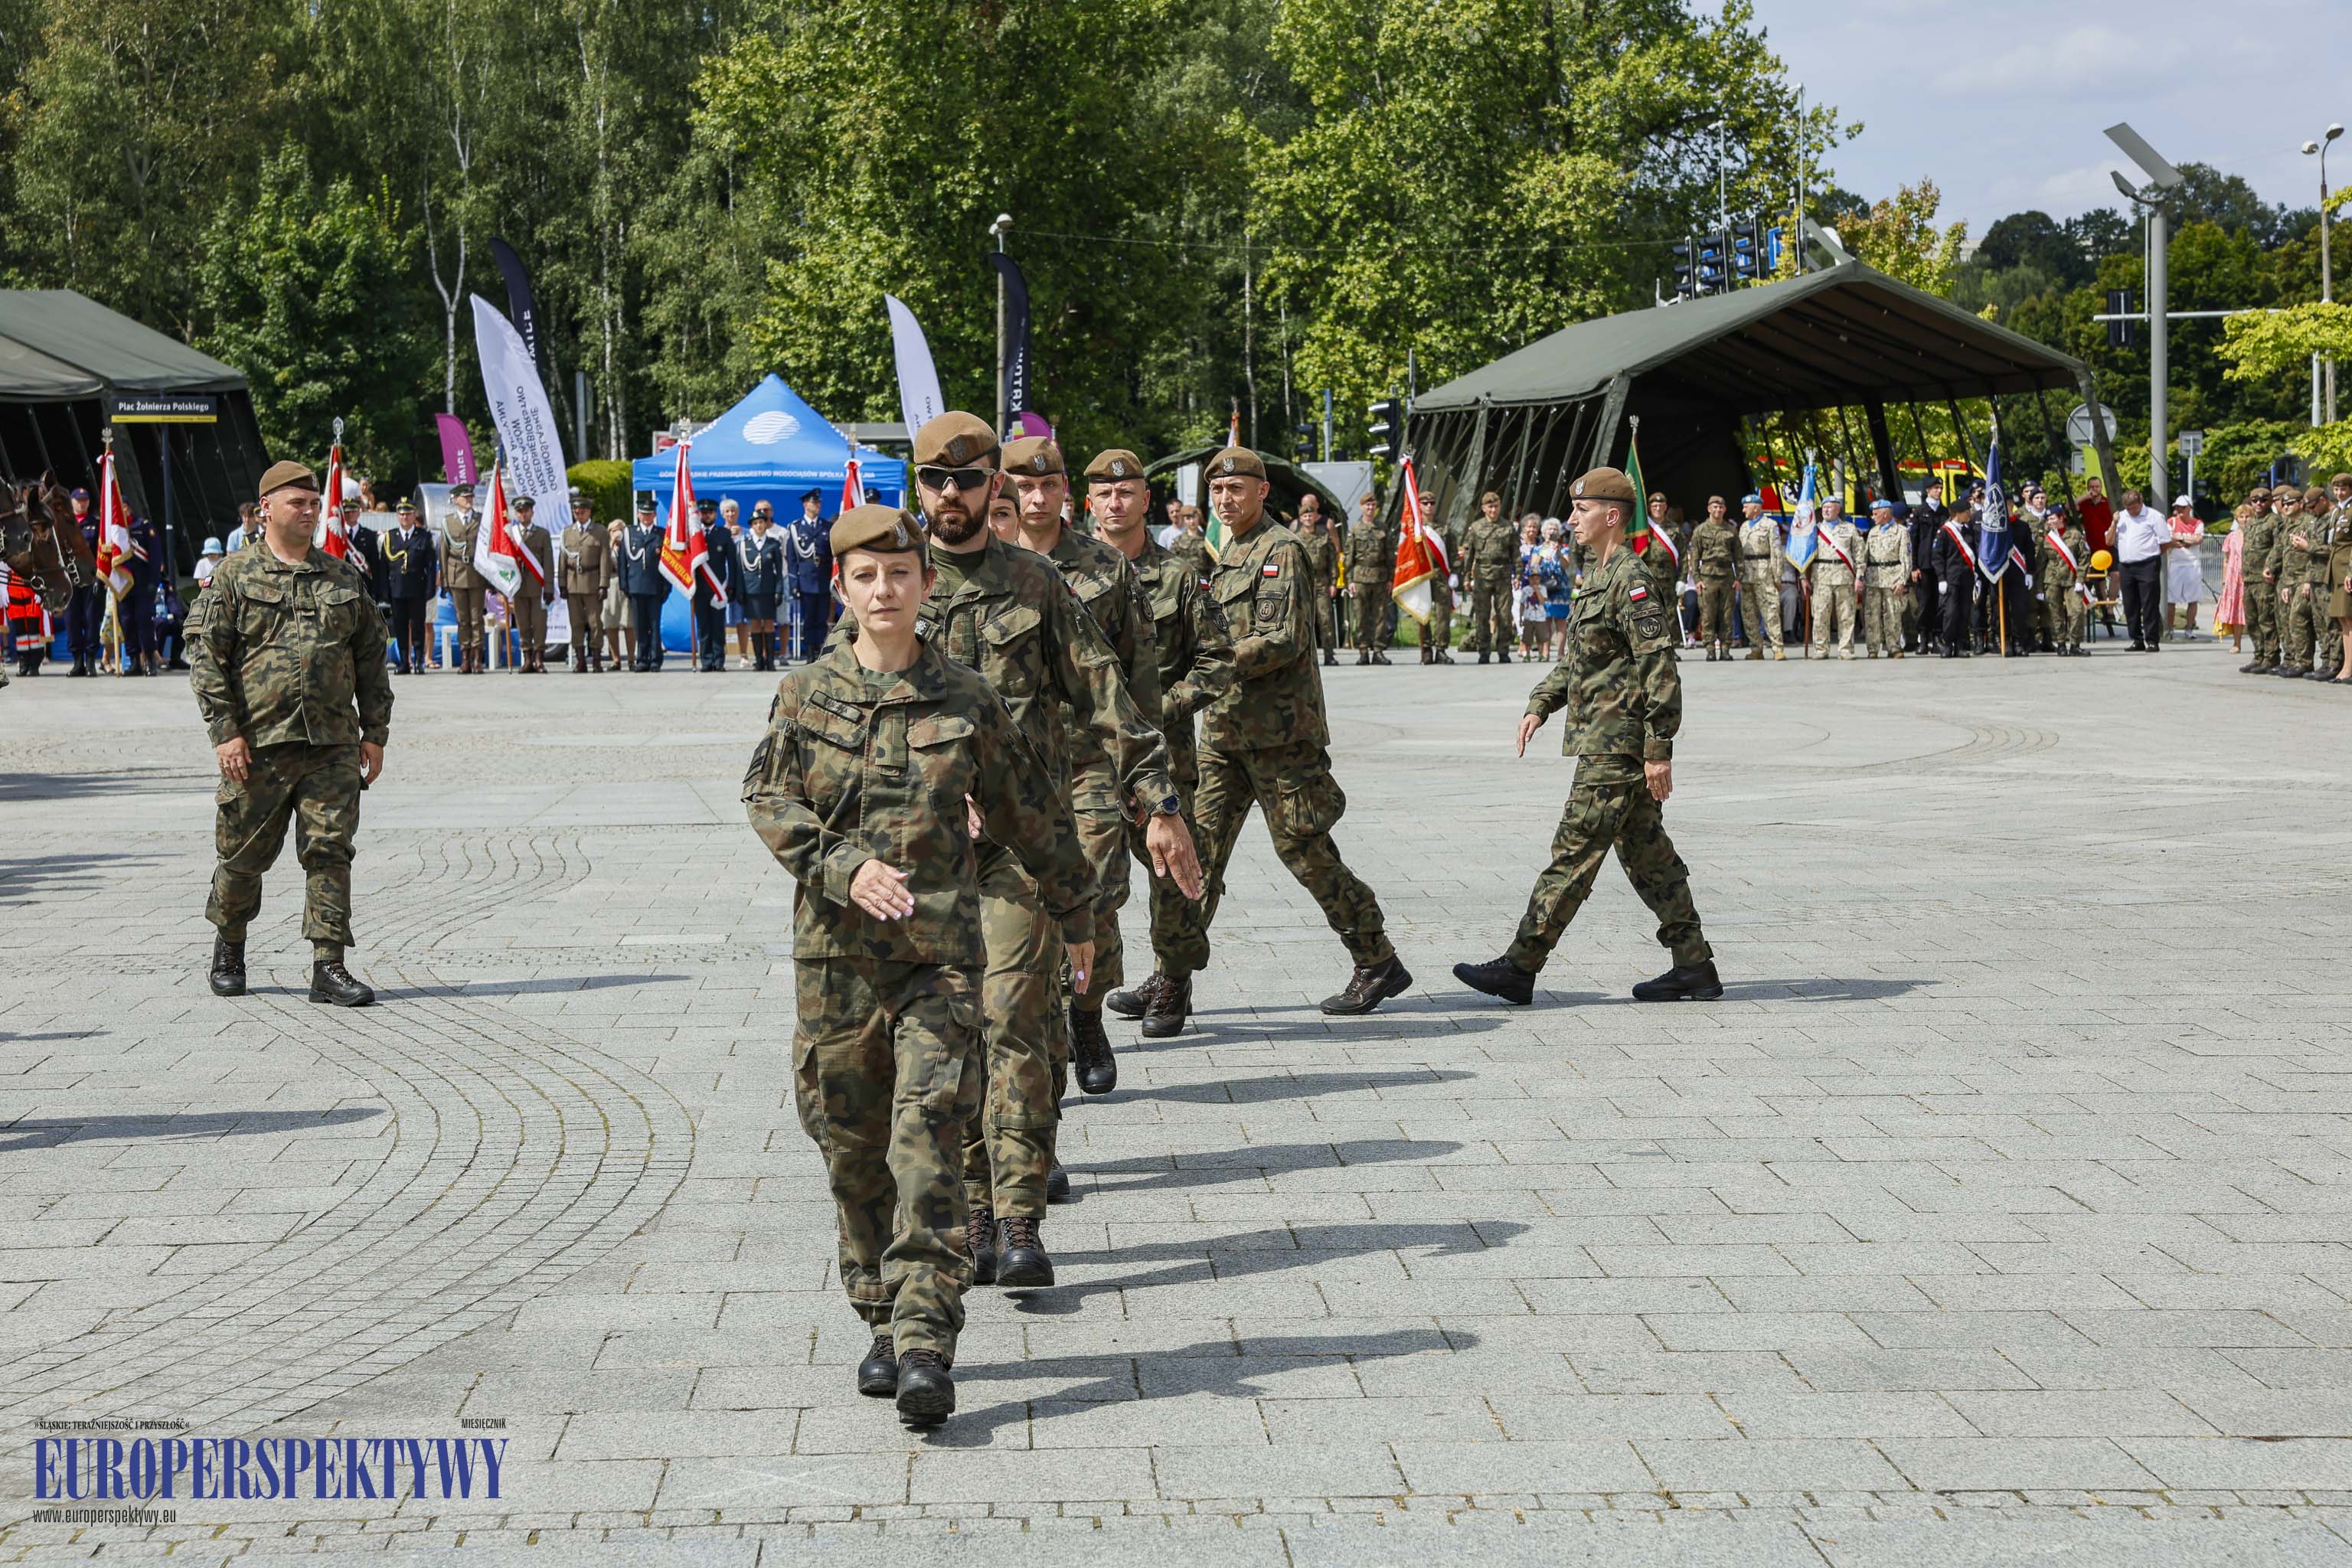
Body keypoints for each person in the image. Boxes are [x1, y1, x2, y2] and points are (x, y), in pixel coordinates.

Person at [743, 501, 1093, 1428]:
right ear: (842, 588)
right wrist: (842, 867)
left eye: (900, 573)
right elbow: (768, 798)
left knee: (929, 1137)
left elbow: (1031, 809)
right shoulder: (804, 693)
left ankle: (926, 1340)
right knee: (852, 1148)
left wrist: (1077, 909)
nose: (884, 589)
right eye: (866, 576)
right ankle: (880, 1312)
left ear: (926, 584)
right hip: (836, 965)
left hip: (939, 961)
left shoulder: (966, 697)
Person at [881, 410, 1194, 1289]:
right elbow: (849, 714)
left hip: (1026, 844)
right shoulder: (889, 581)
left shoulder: (1037, 584)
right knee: (954, 1033)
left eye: (969, 478)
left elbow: (1110, 697)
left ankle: (1018, 1217)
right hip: (927, 852)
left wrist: (1160, 802)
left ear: (995, 486)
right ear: (919, 488)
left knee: (1017, 1015)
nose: (953, 493)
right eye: (937, 479)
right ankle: (975, 1209)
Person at [1452, 466, 1717, 1008]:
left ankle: (1521, 964)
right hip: (1604, 738)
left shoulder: (1632, 580)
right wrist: (1541, 703)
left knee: (1573, 851)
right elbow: (1579, 661)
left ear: (1611, 516)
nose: (1572, 519)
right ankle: (1694, 966)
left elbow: (1660, 668)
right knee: (1648, 856)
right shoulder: (1596, 575)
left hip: (1617, 745)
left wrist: (1658, 750)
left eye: (1582, 510)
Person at [1176, 445, 1410, 1021]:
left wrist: (1210, 665)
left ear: (1261, 492)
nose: (1225, 499)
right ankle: (1171, 975)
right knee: (1196, 854)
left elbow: (1282, 639)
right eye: (1217, 490)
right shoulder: (1229, 552)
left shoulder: (1281, 549)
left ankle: (1377, 958)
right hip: (1225, 732)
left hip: (1279, 735)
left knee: (1304, 851)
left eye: (1237, 489)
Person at [1000, 435, 1168, 1096]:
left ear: (1066, 490)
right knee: (1021, 901)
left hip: (1090, 760)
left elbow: (1138, 679)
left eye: (1049, 485)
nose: (1037, 498)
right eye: (1023, 486)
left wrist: (1145, 777)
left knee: (1093, 892)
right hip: (1014, 766)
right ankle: (1041, 1029)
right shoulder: (983, 567)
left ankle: (1087, 1015)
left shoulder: (1105, 567)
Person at [191, 459, 391, 1009]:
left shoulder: (342, 577)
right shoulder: (233, 576)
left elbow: (371, 658)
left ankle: (329, 965)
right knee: (242, 856)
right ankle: (230, 946)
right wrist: (225, 732)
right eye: (297, 503)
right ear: (266, 509)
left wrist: (375, 731)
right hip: (258, 745)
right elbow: (207, 658)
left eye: (313, 504)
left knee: (330, 850)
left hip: (332, 744)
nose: (309, 512)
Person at [1093, 448, 1236, 1040]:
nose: (1116, 502)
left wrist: (1161, 707)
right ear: (1090, 503)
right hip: (1088, 759)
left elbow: (1219, 660)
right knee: (1086, 878)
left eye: (1126, 492)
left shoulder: (1178, 576)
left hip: (1162, 756)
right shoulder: (1061, 576)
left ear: (1146, 501)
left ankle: (1173, 979)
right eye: (1105, 493)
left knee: (1172, 873)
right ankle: (1080, 997)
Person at [1461, 490, 1519, 665]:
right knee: (1482, 615)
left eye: (1496, 506)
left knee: (1504, 615)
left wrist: (1518, 574)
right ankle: (1484, 651)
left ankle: (1503, 650)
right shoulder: (1476, 527)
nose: (1494, 510)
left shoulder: (1508, 527)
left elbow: (1516, 553)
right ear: (1484, 508)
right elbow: (1469, 554)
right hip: (1482, 575)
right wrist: (1466, 577)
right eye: (1490, 507)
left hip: (1503, 574)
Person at [381, 499, 437, 675]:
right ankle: (404, 662)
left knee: (418, 626)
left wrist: (430, 589)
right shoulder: (390, 537)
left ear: (414, 516)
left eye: (408, 514)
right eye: (401, 514)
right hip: (397, 589)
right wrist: (385, 592)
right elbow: (384, 566)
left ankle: (419, 661)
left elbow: (430, 566)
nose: (404, 517)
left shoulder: (424, 536)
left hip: (417, 589)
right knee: (400, 627)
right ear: (397, 516)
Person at [2110, 487, 2168, 652]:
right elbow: (2109, 541)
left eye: (2134, 508)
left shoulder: (2154, 516)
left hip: (2147, 564)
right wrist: (2114, 523)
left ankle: (2152, 640)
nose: (2131, 511)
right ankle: (2137, 639)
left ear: (2141, 503)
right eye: (2128, 508)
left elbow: (2165, 542)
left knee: (2149, 604)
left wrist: (2153, 555)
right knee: (2130, 604)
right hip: (2126, 566)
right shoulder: (2121, 517)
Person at [558, 486, 609, 673]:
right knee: (576, 623)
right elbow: (563, 559)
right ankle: (580, 660)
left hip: (592, 582)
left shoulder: (600, 531)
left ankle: (596, 659)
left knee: (595, 623)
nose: (578, 515)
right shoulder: (567, 532)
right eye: (576, 512)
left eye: (582, 512)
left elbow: (604, 558)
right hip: (573, 583)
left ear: (589, 512)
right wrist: (562, 584)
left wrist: (604, 584)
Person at [437, 483, 487, 673]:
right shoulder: (448, 522)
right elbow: (444, 552)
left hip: (476, 573)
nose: (469, 500)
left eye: (470, 497)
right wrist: (445, 580)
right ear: (456, 500)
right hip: (456, 573)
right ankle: (465, 658)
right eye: (465, 497)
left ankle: (477, 659)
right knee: (462, 619)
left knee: (477, 618)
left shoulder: (481, 520)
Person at [1805, 495, 1862, 660]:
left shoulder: (1849, 528)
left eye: (1830, 507)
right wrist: (1803, 577)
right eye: (1824, 508)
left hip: (1844, 576)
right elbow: (1805, 556)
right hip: (1821, 577)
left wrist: (1859, 577)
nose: (1826, 510)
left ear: (1838, 510)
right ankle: (1821, 649)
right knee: (1820, 615)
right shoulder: (1814, 530)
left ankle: (1845, 649)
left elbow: (1859, 555)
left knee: (1846, 615)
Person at [618, 495, 668, 671]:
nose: (646, 517)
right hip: (636, 586)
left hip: (655, 586)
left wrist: (666, 587)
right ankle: (642, 659)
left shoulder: (661, 534)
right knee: (640, 626)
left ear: (655, 515)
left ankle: (655, 660)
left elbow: (668, 562)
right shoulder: (630, 533)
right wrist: (624, 585)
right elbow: (622, 561)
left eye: (649, 514)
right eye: (643, 514)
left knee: (654, 625)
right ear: (638, 514)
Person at [1292, 492, 1341, 667]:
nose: (1308, 518)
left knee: (1326, 619)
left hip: (1321, 583)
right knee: (1304, 622)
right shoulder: (1296, 538)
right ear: (1301, 518)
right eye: (1305, 516)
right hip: (1302, 583)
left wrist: (1334, 582)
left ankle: (1329, 654)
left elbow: (1332, 561)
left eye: (1310, 515)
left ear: (1315, 516)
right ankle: (1304, 657)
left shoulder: (1323, 535)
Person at [1685, 495, 1737, 662]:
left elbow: (1739, 556)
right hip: (1707, 578)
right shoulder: (1700, 530)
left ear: (1725, 509)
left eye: (1721, 507)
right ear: (1709, 509)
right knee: (1708, 615)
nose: (1718, 510)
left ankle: (1725, 648)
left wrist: (1739, 578)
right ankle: (1710, 649)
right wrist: (1697, 579)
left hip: (1727, 577)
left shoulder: (1731, 530)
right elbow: (1695, 557)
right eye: (1715, 507)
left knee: (1726, 615)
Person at [1858, 497, 1911, 658]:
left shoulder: (1901, 531)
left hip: (1892, 577)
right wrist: (1860, 576)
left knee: (1893, 613)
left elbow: (1906, 558)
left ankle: (1893, 647)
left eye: (1876, 514)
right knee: (1871, 614)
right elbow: (1865, 556)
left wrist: (1902, 580)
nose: (1873, 517)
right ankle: (1872, 648)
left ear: (1886, 514)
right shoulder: (1873, 532)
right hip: (1874, 578)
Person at [507, 495, 555, 672]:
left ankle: (539, 659)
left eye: (526, 511)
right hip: (518, 586)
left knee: (539, 623)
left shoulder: (542, 534)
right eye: (520, 511)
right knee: (523, 624)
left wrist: (548, 587)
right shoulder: (510, 534)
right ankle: (527, 659)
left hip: (537, 586)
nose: (523, 514)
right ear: (515, 513)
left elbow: (548, 562)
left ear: (532, 512)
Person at [2237, 487, 2282, 672]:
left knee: (2266, 619)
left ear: (2270, 502)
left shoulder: (2274, 521)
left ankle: (2271, 657)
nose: (2259, 504)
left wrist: (2270, 567)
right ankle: (2259, 655)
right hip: (2249, 578)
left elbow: (2278, 547)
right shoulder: (2250, 523)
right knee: (2252, 620)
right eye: (2255, 501)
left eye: (2263, 501)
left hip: (2264, 579)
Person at [736, 501, 786, 670]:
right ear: (752, 526)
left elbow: (779, 571)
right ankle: (759, 660)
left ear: (766, 524)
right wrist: (740, 591)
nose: (759, 525)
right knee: (755, 624)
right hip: (751, 591)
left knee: (769, 624)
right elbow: (740, 570)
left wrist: (779, 591)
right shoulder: (745, 544)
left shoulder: (773, 544)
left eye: (761, 522)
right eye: (755, 523)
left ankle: (770, 661)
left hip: (768, 590)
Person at [786, 488, 834, 663]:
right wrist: (794, 584)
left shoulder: (827, 527)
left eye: (819, 502)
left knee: (821, 619)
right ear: (806, 505)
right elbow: (792, 559)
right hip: (805, 581)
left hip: (823, 579)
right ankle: (810, 654)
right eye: (815, 503)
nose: (818, 505)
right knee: (808, 619)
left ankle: (819, 652)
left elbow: (832, 556)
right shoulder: (796, 528)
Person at [1344, 492, 1392, 665]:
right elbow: (1349, 557)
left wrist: (1391, 579)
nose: (1370, 508)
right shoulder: (1355, 529)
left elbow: (1389, 555)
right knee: (1361, 617)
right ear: (1362, 507)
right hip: (1360, 578)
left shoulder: (1383, 528)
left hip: (1380, 577)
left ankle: (1378, 651)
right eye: (1367, 505)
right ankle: (1363, 651)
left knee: (1380, 616)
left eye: (1373, 505)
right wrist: (1349, 580)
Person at [1930, 499, 1979, 658]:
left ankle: (1960, 645)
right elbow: (1937, 557)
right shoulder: (1945, 532)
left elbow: (1975, 553)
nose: (1969, 515)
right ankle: (1947, 644)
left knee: (1964, 612)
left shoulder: (1969, 530)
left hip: (1967, 577)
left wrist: (1977, 576)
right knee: (1950, 613)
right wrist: (1941, 578)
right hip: (1951, 578)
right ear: (1958, 513)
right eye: (1967, 512)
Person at [2040, 502, 2090, 656]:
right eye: (2048, 519)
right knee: (2055, 613)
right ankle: (2061, 643)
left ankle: (2075, 644)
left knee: (2077, 611)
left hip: (2072, 579)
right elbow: (2040, 563)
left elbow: (2084, 558)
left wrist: (2080, 579)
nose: (2050, 522)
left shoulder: (2075, 534)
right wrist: (2039, 587)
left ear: (2062, 518)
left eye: (2053, 518)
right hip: (2052, 580)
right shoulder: (2046, 538)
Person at [2163, 495, 2205, 639]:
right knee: (2171, 599)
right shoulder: (2171, 522)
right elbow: (2169, 539)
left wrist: (2180, 538)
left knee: (2193, 599)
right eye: (2178, 507)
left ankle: (2189, 629)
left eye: (2183, 507)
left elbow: (2198, 539)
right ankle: (2169, 629)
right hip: (2175, 563)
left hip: (2192, 564)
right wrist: (2187, 540)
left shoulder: (2197, 523)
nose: (2180, 510)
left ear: (2190, 508)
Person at [2329, 475, 2352, 684]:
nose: (2339, 493)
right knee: (2344, 620)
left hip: (2347, 571)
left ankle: (2349, 668)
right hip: (2337, 571)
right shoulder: (2338, 511)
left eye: (2343, 489)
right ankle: (2347, 666)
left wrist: (2351, 572)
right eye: (2336, 489)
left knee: (2349, 620)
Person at [2216, 503, 2248, 654]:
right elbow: (2226, 559)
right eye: (2241, 517)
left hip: (2250, 576)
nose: (2245, 519)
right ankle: (2237, 643)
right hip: (2234, 577)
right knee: (2237, 610)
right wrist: (2224, 581)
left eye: (2248, 516)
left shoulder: (2256, 535)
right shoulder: (2232, 537)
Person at [1514, 515, 1545, 659]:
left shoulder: (1541, 544)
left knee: (1532, 614)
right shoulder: (1517, 542)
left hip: (1536, 584)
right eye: (1529, 527)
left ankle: (1524, 647)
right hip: (1519, 582)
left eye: (1535, 527)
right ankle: (1523, 646)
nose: (1532, 530)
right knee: (1520, 613)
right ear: (1523, 528)